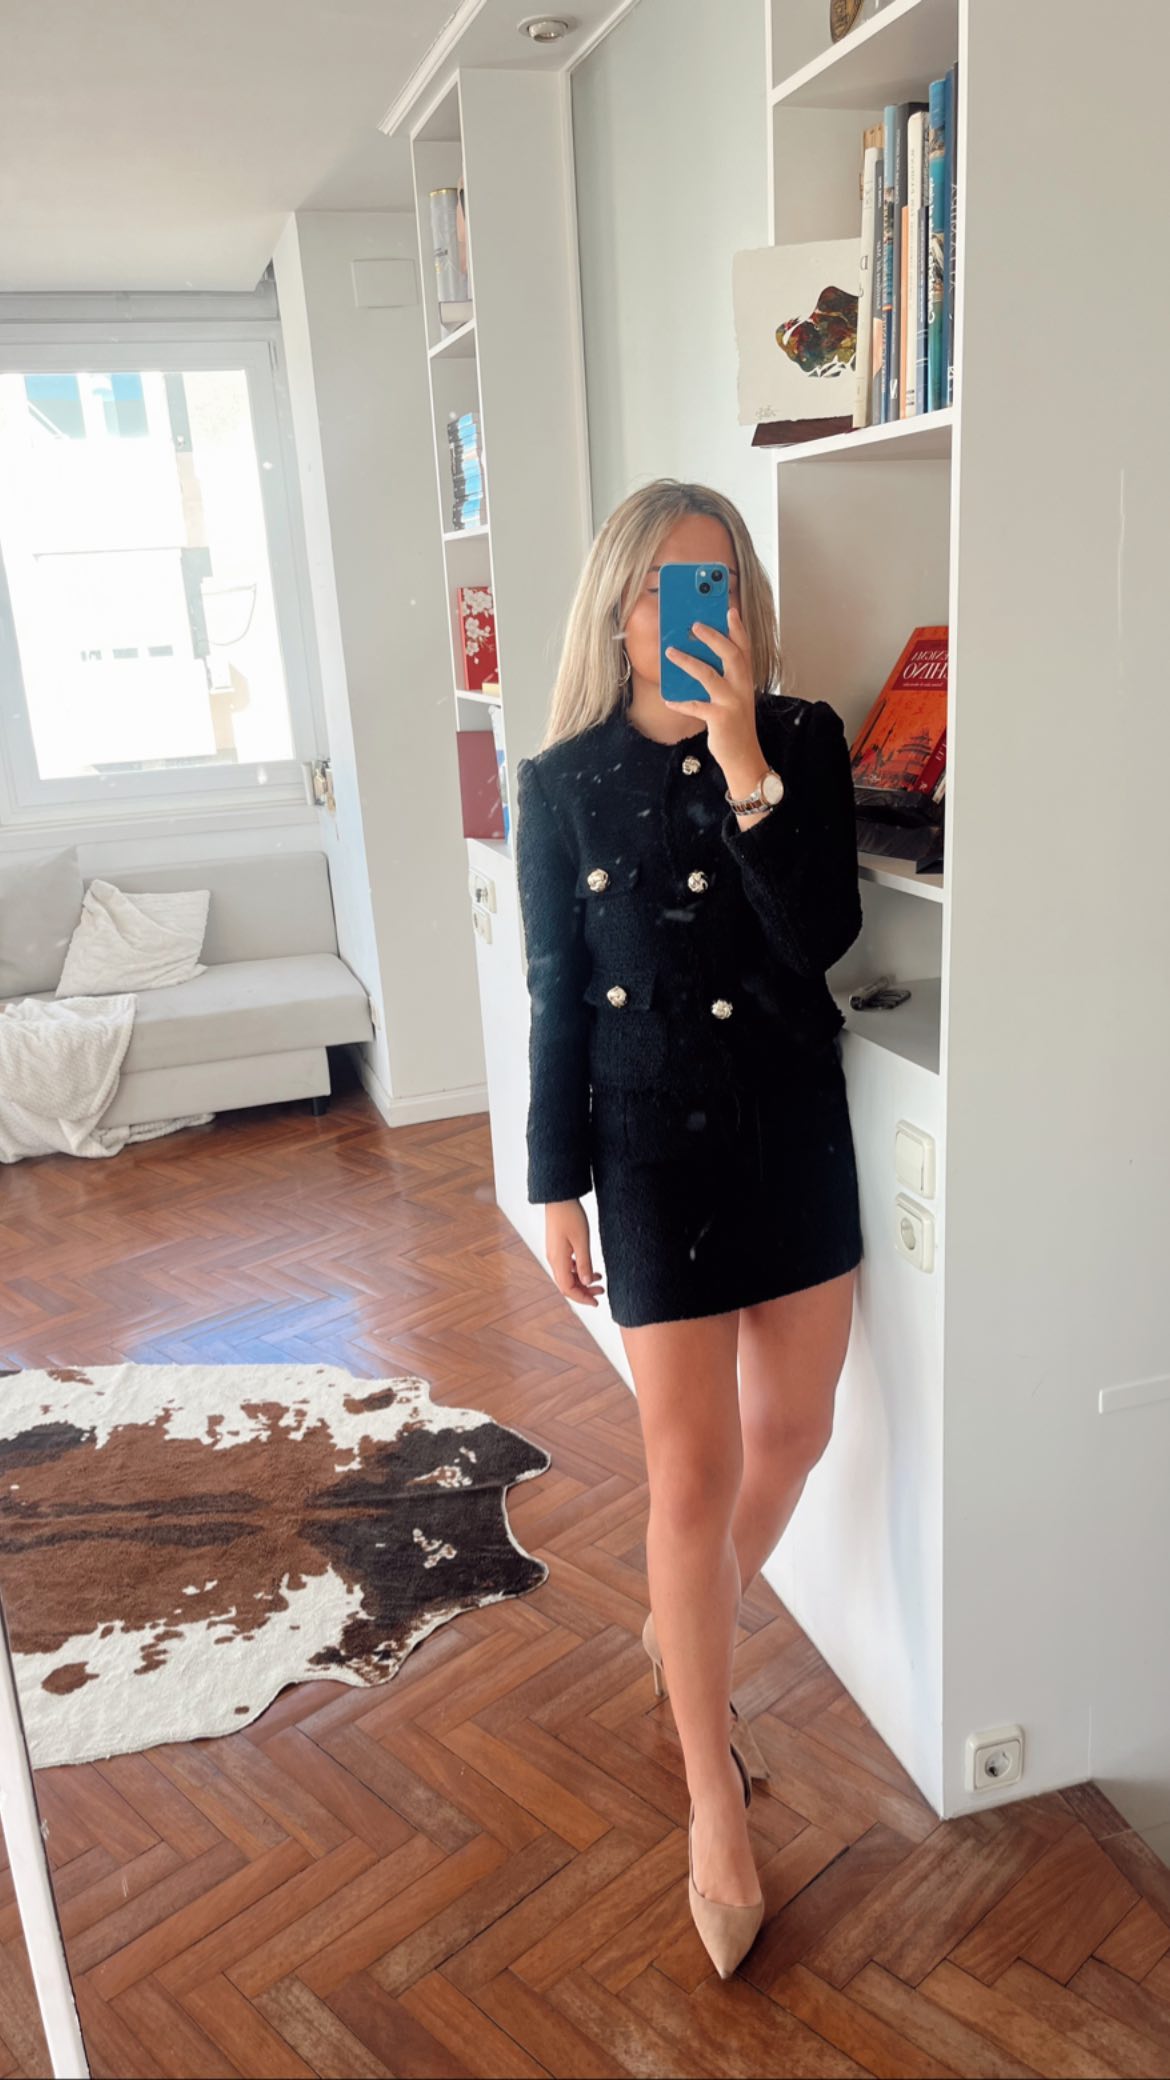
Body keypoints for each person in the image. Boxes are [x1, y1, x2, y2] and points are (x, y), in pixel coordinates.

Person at [514, 478, 864, 1978]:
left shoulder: (799, 739)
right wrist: (555, 1182)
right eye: (663, 584)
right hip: (650, 1148)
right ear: (617, 607)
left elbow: (821, 935)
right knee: (690, 1470)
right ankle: (711, 1787)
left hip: (791, 1129)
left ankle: (684, 1632)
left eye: (714, 582)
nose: (686, 610)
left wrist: (742, 764)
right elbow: (555, 999)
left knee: (796, 1431)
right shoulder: (560, 781)